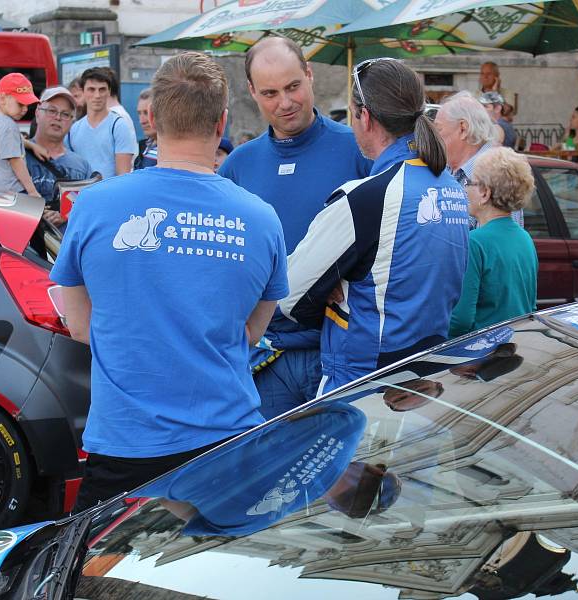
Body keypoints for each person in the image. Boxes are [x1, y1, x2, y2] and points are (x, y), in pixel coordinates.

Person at [51, 51, 289, 512]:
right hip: (226, 441)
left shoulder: (95, 206)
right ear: (222, 122)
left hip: (126, 444)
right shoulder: (261, 219)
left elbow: (80, 326)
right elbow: (253, 331)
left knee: (104, 581)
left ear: (153, 120)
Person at [278, 57, 469, 394]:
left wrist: (338, 294)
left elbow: (289, 295)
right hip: (427, 377)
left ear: (364, 117)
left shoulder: (366, 197)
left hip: (364, 385)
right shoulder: (450, 185)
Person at [218, 36, 371, 418]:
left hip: (341, 353)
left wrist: (354, 278)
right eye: (270, 93)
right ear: (252, 92)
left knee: (345, 474)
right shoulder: (239, 164)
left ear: (309, 74)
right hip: (263, 359)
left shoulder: (359, 149)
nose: (285, 103)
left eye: (292, 87)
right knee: (271, 473)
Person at [449, 147, 537, 337]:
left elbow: (461, 319)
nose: (465, 188)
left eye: (470, 183)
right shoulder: (525, 238)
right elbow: (530, 305)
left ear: (485, 193)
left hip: (480, 352)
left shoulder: (475, 242)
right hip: (517, 345)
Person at [434, 91, 523, 229]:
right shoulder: (446, 169)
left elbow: (497, 245)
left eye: (438, 129)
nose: (434, 138)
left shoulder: (496, 173)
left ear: (463, 129)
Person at [25, 86, 92, 225]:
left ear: (72, 121)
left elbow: (90, 210)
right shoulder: (17, 157)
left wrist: (66, 215)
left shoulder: (81, 166)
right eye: (52, 111)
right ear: (38, 112)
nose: (58, 117)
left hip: (63, 245)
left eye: (66, 114)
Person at [66, 67, 137, 180]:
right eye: (91, 89)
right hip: (81, 195)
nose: (97, 95)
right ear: (83, 91)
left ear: (109, 91)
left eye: (102, 89)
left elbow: (123, 177)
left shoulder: (118, 126)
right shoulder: (73, 129)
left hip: (110, 195)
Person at [0, 73, 40, 196]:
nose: (25, 109)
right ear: (2, 99)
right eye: (20, 104)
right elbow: (15, 160)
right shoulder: (8, 126)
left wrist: (32, 146)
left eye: (27, 105)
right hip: (11, 193)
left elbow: (5, 142)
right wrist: (32, 191)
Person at [134, 88, 158, 170]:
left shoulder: (170, 153)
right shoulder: (144, 146)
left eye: (146, 113)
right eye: (139, 113)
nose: (142, 121)